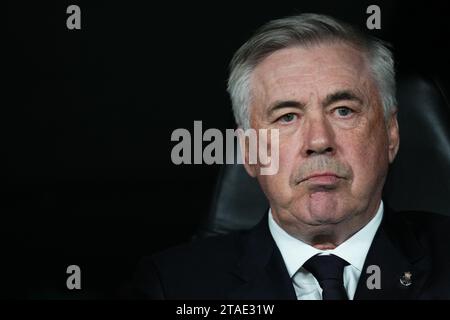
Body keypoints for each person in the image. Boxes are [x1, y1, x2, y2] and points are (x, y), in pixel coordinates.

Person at [133, 13, 450, 299]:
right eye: (287, 116)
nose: (318, 140)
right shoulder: (172, 286)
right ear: (250, 151)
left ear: (390, 133)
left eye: (343, 111)